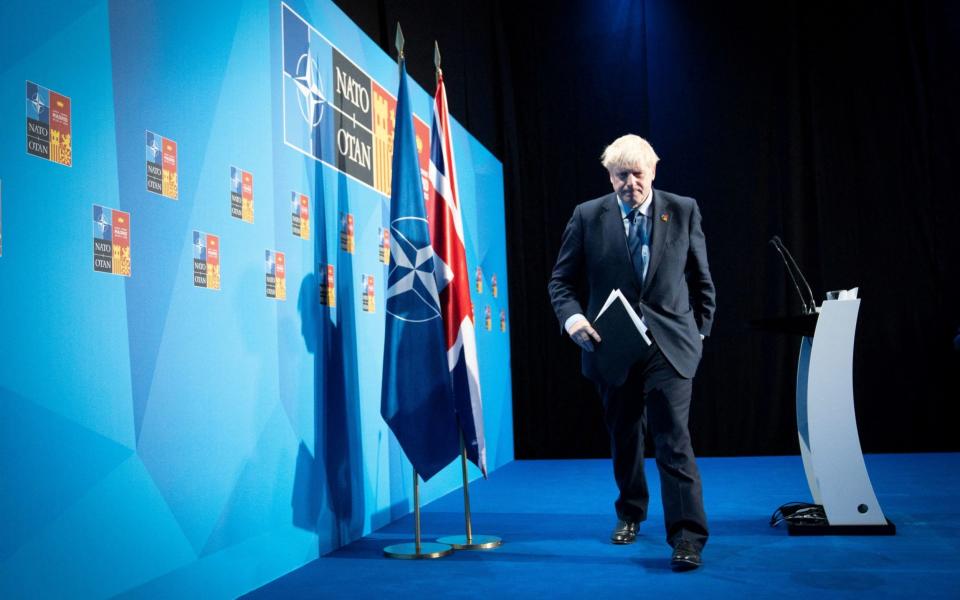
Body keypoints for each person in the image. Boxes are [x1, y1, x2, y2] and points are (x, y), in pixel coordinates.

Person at [548, 134, 716, 571]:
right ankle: (630, 513)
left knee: (673, 439)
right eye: (621, 175)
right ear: (610, 175)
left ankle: (686, 537)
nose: (630, 183)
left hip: (670, 347)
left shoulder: (683, 209)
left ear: (653, 171)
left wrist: (699, 334)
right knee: (625, 436)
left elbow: (702, 284)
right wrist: (573, 319)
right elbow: (560, 282)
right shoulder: (587, 216)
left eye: (638, 173)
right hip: (612, 347)